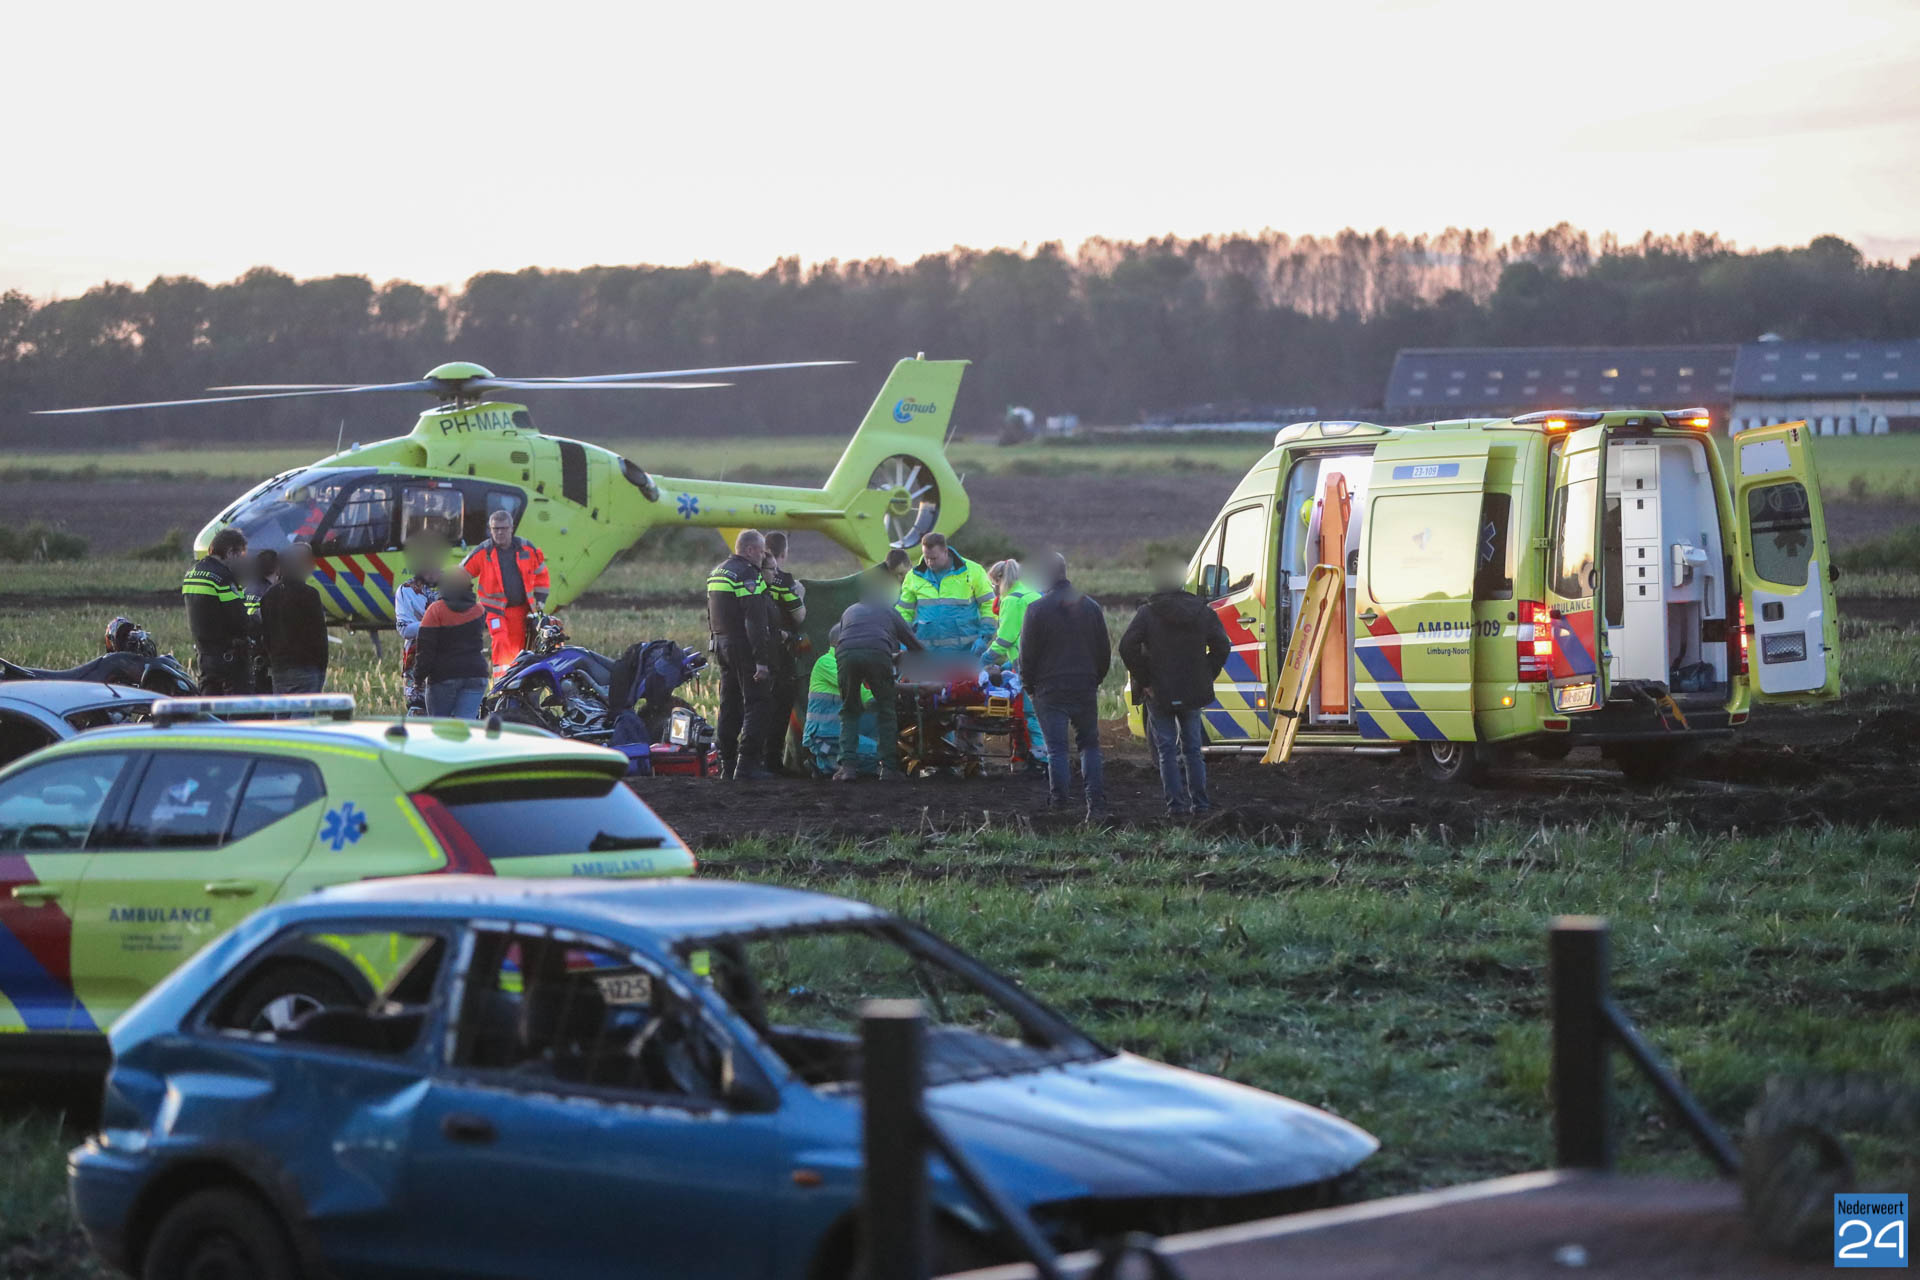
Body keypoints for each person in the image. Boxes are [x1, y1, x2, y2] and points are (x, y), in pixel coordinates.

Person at [1120, 557, 1231, 816]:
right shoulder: (1202, 611)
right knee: (1193, 750)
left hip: (1159, 692)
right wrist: (1207, 673)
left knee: (1166, 751)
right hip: (1193, 690)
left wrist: (1146, 680)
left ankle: (1176, 808)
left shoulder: (1147, 613)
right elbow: (1222, 645)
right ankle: (1201, 805)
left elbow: (1126, 646)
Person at [1019, 553, 1111, 819]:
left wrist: (1029, 686)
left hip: (1049, 689)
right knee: (1089, 746)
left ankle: (1059, 805)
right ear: (1064, 571)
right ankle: (1096, 805)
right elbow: (1104, 650)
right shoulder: (1091, 607)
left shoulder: (1036, 610)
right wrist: (1095, 679)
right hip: (1084, 685)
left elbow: (1027, 655)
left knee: (1056, 749)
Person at [832, 580, 923, 781]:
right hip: (878, 653)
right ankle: (888, 768)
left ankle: (847, 767)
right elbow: (914, 644)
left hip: (845, 654)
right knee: (886, 709)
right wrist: (926, 661)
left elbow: (852, 640)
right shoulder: (888, 610)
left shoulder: (850, 610)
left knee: (849, 709)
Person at [706, 529, 775, 781]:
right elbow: (755, 621)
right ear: (750, 550)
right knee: (758, 702)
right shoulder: (748, 575)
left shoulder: (717, 572)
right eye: (761, 552)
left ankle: (727, 763)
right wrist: (761, 661)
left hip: (722, 645)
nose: (763, 557)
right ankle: (747, 764)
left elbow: (711, 614)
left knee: (729, 703)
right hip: (743, 647)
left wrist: (714, 643)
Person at [463, 509, 549, 674]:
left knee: (519, 648)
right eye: (495, 529)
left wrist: (540, 599)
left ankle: (517, 680)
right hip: (494, 610)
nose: (500, 532)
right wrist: (465, 599)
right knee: (500, 639)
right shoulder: (484, 551)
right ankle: (501, 680)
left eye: (503, 528)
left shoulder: (526, 548)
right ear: (490, 529)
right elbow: (462, 573)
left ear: (511, 528)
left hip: (520, 610)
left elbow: (541, 573)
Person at [986, 558, 1048, 774]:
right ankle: (1045, 757)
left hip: (1027, 665)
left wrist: (982, 661)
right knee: (1044, 711)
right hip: (1046, 663)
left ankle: (1040, 759)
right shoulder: (1032, 594)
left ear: (999, 581)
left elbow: (1004, 640)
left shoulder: (1012, 600)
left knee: (1030, 713)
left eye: (993, 584)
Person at [896, 532, 995, 657]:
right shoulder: (913, 576)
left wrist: (984, 637)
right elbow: (904, 613)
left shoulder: (973, 571)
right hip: (926, 654)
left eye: (934, 558)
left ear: (945, 552)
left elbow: (989, 605)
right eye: (926, 557)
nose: (929, 562)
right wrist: (903, 642)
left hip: (966, 653)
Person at [181, 527, 254, 694]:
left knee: (209, 704)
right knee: (239, 706)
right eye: (240, 555)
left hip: (204, 656)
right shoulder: (223, 578)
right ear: (230, 552)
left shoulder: (191, 573)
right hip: (229, 659)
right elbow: (240, 620)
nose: (241, 561)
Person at [760, 531, 808, 774]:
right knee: (781, 703)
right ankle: (772, 760)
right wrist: (801, 595)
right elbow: (799, 616)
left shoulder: (749, 577)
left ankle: (750, 758)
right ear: (784, 552)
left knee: (755, 705)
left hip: (751, 650)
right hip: (780, 651)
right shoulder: (785, 580)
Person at [414, 567, 491, 718]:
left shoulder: (435, 611)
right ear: (469, 586)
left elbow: (425, 649)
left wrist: (418, 678)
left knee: (440, 726)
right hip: (476, 674)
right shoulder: (479, 610)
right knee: (466, 725)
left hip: (443, 677)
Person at [259, 543, 329, 694]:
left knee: (282, 709)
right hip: (307, 668)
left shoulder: (269, 595)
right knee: (305, 709)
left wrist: (274, 660)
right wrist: (321, 667)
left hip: (279, 668)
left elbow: (266, 635)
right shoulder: (310, 595)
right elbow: (319, 635)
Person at [395, 534, 446, 715]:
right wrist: (435, 625)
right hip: (417, 666)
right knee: (418, 714)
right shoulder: (406, 590)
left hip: (451, 664)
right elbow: (404, 629)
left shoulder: (454, 586)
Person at [243, 548, 280, 695]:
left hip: (246, 654)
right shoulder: (272, 593)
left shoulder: (245, 590)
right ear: (277, 568)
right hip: (265, 657)